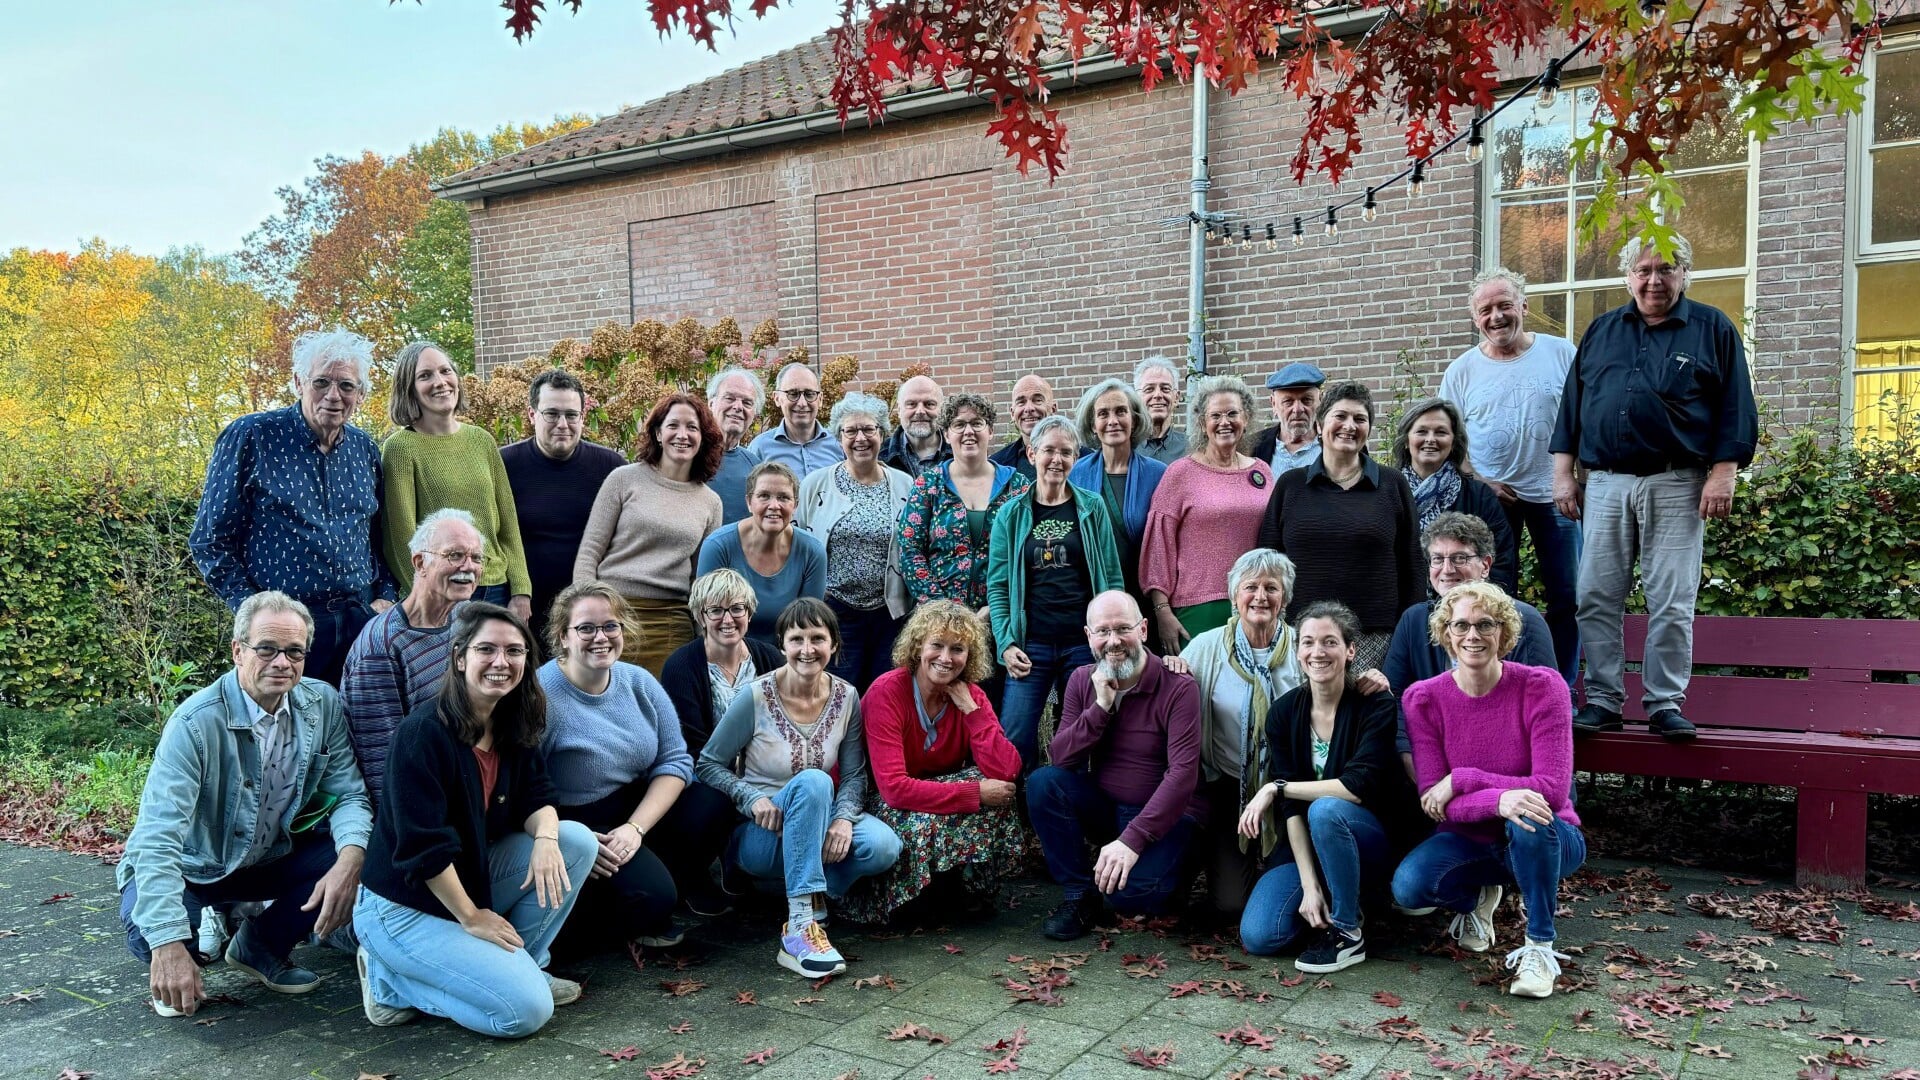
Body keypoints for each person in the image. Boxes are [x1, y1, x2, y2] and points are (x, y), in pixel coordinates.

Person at [118, 591, 372, 1018]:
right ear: (238, 651)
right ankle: (194, 940)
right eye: (267, 649)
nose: (281, 662)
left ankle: (261, 946)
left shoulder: (321, 704)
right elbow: (157, 837)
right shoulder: (194, 724)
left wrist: (350, 862)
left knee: (355, 851)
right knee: (160, 937)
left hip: (269, 859)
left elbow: (349, 792)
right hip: (192, 867)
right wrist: (167, 941)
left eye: (294, 651)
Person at [353, 603, 597, 1037]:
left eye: (514, 651)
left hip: (468, 877)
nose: (501, 662)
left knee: (573, 841)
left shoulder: (511, 719)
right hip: (404, 905)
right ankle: (391, 981)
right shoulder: (423, 733)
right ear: (460, 657)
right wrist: (470, 917)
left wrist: (544, 839)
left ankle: (526, 965)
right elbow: (423, 849)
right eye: (487, 649)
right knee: (523, 1014)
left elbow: (537, 797)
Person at [1554, 234, 1757, 742]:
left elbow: (1735, 406)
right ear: (1628, 276)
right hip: (1605, 484)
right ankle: (1602, 699)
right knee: (1595, 596)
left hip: (1678, 482)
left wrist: (1724, 472)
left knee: (1671, 598)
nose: (1653, 280)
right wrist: (1563, 473)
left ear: (1685, 273)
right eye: (1643, 270)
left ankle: (1665, 702)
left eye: (1666, 269)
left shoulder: (1713, 329)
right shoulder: (1601, 331)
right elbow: (1572, 411)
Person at [1392, 582, 1585, 999]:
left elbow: (1550, 791)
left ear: (1505, 634)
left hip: (1551, 835)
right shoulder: (1423, 699)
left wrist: (1463, 780)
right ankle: (1478, 897)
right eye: (1460, 625)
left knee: (1528, 817)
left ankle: (1539, 948)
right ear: (1446, 633)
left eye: (1485, 624)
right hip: (1471, 840)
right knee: (1410, 887)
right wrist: (1499, 799)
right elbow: (1434, 801)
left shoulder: (1542, 687)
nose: (1473, 636)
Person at [695, 599, 902, 976]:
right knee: (815, 779)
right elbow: (707, 763)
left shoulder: (847, 698)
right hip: (763, 831)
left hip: (820, 820)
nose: (808, 649)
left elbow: (855, 774)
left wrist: (842, 820)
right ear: (782, 644)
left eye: (818, 638)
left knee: (883, 846)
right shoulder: (755, 696)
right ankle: (800, 926)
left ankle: (812, 885)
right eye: (797, 639)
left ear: (834, 645)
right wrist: (751, 796)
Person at [190, 329, 396, 685]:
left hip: (360, 622)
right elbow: (210, 539)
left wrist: (385, 599)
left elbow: (379, 537)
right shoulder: (251, 436)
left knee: (358, 732)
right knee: (284, 733)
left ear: (361, 395)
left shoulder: (365, 450)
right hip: (285, 634)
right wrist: (253, 612)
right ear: (299, 382)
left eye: (347, 386)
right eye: (321, 382)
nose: (333, 395)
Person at [1236, 603, 1422, 969]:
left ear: (1350, 650)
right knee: (1260, 935)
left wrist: (1275, 788)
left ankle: (1348, 931)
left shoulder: (1376, 705)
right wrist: (1307, 885)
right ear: (1297, 651)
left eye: (1330, 642)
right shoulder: (1284, 712)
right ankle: (1329, 900)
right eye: (1308, 642)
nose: (1317, 652)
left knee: (1326, 808)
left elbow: (1354, 787)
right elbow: (1292, 811)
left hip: (1366, 840)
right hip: (1307, 845)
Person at [538, 582, 713, 955]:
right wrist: (573, 839)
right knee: (653, 899)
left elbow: (675, 760)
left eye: (610, 626)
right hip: (578, 820)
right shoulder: (542, 697)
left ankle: (663, 885)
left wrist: (636, 829)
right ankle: (615, 907)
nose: (600, 637)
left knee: (712, 802)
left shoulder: (638, 681)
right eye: (586, 628)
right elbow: (525, 787)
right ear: (563, 637)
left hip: (634, 806)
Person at [1028, 592, 1204, 940]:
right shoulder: (1082, 679)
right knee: (1043, 783)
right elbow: (1061, 757)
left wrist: (1132, 840)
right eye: (1103, 631)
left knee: (1132, 897)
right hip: (1109, 806)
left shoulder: (1178, 686)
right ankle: (1080, 896)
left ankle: (1175, 869)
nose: (1113, 641)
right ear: (1088, 636)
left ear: (1143, 629)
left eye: (1123, 628)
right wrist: (1101, 707)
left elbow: (1183, 776)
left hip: (1170, 814)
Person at [842, 601, 1025, 924]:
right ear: (917, 648)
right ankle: (905, 899)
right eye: (936, 645)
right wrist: (974, 793)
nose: (945, 658)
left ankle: (962, 887)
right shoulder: (888, 692)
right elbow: (895, 790)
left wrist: (972, 711)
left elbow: (1007, 770)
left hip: (931, 792)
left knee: (1000, 792)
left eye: (957, 649)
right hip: (882, 802)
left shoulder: (971, 696)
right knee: (957, 804)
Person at [1440, 269, 1581, 684]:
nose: (1496, 316)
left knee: (1569, 599)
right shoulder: (1462, 370)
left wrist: (1572, 476)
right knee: (1494, 599)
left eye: (1505, 305)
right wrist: (1479, 482)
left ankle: (1563, 687)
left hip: (1557, 496)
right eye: (1486, 310)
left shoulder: (1561, 354)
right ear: (1475, 317)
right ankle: (1506, 683)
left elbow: (1581, 422)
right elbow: (1450, 440)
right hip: (1492, 503)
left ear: (1524, 306)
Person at [988, 415, 1126, 770]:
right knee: (1015, 733)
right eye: (1049, 450)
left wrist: (1110, 639)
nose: (1057, 460)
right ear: (1032, 454)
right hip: (1030, 643)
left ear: (1075, 458)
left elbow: (1111, 577)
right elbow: (999, 585)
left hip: (1082, 643)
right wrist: (1006, 643)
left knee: (1083, 733)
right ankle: (1021, 809)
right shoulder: (1011, 513)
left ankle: (1071, 810)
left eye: (1066, 452)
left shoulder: (1091, 507)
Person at [1256, 381, 1424, 670]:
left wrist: (1410, 634)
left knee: (1365, 714)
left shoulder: (1392, 484)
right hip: (1302, 636)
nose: (1350, 426)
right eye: (1340, 416)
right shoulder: (1291, 485)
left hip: (1374, 639)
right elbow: (1267, 560)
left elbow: (1412, 565)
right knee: (1305, 714)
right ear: (1320, 426)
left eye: (1360, 419)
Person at [1177, 549, 1303, 916]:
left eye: (1271, 588)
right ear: (1234, 597)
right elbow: (1172, 694)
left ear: (1286, 597)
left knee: (1282, 902)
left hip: (1287, 788)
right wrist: (1170, 665)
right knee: (1231, 905)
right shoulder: (1206, 647)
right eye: (1251, 587)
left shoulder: (1302, 646)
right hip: (1227, 787)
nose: (1261, 597)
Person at [1384, 514, 1558, 774]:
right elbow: (1393, 698)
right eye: (1437, 559)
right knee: (1334, 811)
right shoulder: (1414, 620)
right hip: (1428, 775)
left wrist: (1469, 781)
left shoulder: (1524, 621)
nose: (1447, 569)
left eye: (1460, 558)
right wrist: (1411, 760)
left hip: (1514, 783)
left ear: (1485, 565)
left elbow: (1543, 708)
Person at [575, 392, 726, 675]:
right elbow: (589, 552)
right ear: (658, 433)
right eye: (673, 426)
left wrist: (704, 633)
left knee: (662, 711)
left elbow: (699, 578)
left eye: (692, 427)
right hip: (612, 614)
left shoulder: (710, 502)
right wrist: (588, 609)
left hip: (671, 622)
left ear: (703, 437)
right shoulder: (624, 479)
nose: (683, 435)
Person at [380, 341, 532, 619]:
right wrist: (425, 598)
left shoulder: (482, 440)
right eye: (425, 376)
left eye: (445, 371)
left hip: (496, 589)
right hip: (442, 593)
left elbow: (508, 525)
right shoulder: (400, 449)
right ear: (409, 389)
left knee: (497, 664)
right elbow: (401, 539)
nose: (440, 382)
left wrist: (521, 590)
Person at [340, 509, 483, 806]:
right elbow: (382, 762)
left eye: (476, 558)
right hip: (417, 804)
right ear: (420, 562)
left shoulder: (462, 618)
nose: (468, 567)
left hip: (463, 780)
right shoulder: (381, 647)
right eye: (455, 555)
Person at [1140, 374, 1275, 649]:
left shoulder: (1261, 471)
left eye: (1232, 414)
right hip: (1197, 607)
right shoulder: (1181, 473)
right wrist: (1162, 611)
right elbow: (1158, 546)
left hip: (1256, 604)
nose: (1224, 422)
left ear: (1246, 418)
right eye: (1215, 415)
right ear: (1203, 423)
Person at [797, 393, 915, 689]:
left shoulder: (905, 484)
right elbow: (797, 544)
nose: (860, 438)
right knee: (839, 694)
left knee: (884, 694)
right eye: (851, 431)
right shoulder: (815, 484)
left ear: (882, 434)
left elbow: (914, 546)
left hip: (889, 614)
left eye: (868, 429)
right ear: (839, 437)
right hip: (836, 612)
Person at [501, 369, 627, 641]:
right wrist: (514, 594)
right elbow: (496, 537)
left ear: (583, 417)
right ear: (532, 414)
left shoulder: (612, 469)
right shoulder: (504, 466)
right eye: (552, 414)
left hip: (591, 615)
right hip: (523, 611)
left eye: (571, 415)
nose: (562, 423)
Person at [898, 393, 1031, 623]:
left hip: (1001, 619)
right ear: (947, 434)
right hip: (939, 621)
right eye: (959, 425)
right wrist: (942, 610)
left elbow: (1028, 553)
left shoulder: (1016, 486)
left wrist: (996, 607)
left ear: (990, 431)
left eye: (977, 423)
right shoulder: (929, 486)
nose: (968, 431)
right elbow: (910, 552)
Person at [1389, 398, 1518, 592]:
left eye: (1441, 432)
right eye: (1422, 431)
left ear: (1453, 442)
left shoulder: (1479, 496)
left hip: (1467, 609)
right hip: (1402, 610)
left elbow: (1501, 561)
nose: (1431, 439)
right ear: (1407, 441)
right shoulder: (1388, 494)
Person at [699, 461, 828, 649]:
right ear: (749, 502)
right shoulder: (718, 546)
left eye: (783, 497)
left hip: (787, 658)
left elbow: (807, 626)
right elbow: (709, 620)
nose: (774, 505)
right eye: (764, 496)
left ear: (795, 505)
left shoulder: (812, 551)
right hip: (726, 653)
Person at [1068, 378, 1168, 602]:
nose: (1113, 421)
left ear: (1134, 419)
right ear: (1093, 425)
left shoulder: (1159, 475)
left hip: (1145, 598)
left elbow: (1166, 547)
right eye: (1103, 414)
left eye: (1121, 411)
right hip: (1090, 596)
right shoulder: (1075, 475)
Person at [748, 362, 845, 479]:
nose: (802, 403)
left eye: (809, 394)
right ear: (777, 398)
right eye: (793, 394)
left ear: (820, 400)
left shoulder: (839, 445)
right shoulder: (760, 448)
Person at [706, 366, 766, 524]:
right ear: (711, 404)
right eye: (730, 398)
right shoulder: (688, 457)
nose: (738, 407)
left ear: (754, 414)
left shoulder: (756, 467)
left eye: (747, 402)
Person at [1250, 362, 1326, 476]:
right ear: (1274, 404)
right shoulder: (1254, 447)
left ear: (1320, 400)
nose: (1298, 409)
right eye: (1288, 402)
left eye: (1306, 400)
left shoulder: (1336, 446)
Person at [879, 375, 951, 479]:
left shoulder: (959, 454)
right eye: (911, 404)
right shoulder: (879, 456)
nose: (920, 411)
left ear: (942, 409)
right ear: (899, 410)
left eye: (929, 404)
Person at [988, 374, 1056, 480]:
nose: (1028, 408)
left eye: (1037, 400)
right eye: (1021, 402)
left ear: (1053, 409)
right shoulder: (997, 466)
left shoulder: (1083, 460)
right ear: (1012, 413)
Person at [1133, 355, 1188, 464]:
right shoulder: (1127, 449)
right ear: (1136, 398)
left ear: (1176, 398)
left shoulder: (1192, 450)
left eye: (1165, 389)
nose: (1158, 395)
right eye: (1149, 389)